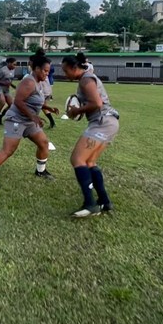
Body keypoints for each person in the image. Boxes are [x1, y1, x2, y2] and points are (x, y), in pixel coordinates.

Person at [0, 51, 54, 189]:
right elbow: (18, 101)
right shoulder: (29, 82)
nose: (46, 74)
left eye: (48, 71)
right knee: (8, 150)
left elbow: (34, 100)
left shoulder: (39, 82)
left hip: (29, 120)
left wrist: (48, 108)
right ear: (36, 69)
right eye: (45, 71)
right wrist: (33, 116)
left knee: (43, 143)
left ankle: (40, 171)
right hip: (16, 119)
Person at [61, 52, 120, 218]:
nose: (65, 75)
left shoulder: (86, 79)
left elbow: (96, 103)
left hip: (102, 122)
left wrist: (76, 111)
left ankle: (90, 203)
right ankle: (104, 201)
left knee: (77, 159)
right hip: (109, 122)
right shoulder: (86, 77)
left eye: (66, 71)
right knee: (89, 161)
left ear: (74, 67)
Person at [0, 57, 18, 127]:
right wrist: (4, 83)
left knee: (11, 105)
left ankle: (0, 117)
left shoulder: (13, 70)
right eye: (14, 64)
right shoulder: (3, 70)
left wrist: (13, 86)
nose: (15, 66)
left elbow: (9, 81)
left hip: (6, 90)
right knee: (2, 103)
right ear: (9, 63)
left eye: (15, 64)